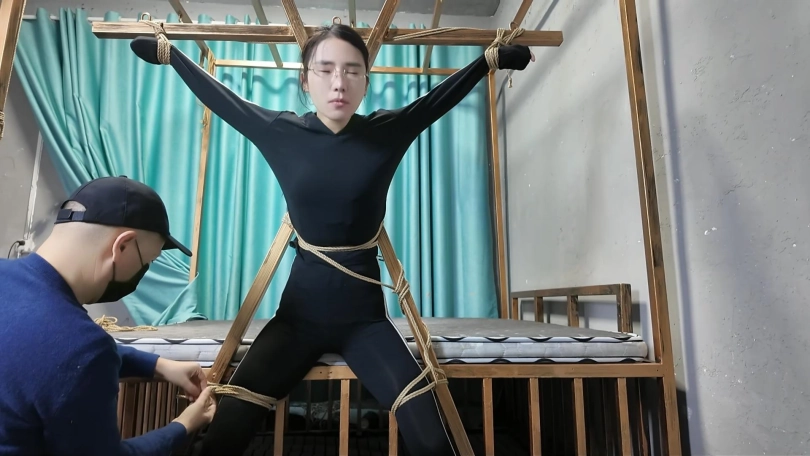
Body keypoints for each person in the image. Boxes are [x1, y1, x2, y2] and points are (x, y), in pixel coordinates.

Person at [130, 23, 534, 455]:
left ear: (366, 80)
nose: (339, 83)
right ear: (305, 80)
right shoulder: (281, 132)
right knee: (222, 437)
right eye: (324, 70)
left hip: (366, 324)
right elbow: (223, 99)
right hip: (296, 321)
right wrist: (171, 56)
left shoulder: (385, 132)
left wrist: (489, 60)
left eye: (352, 70)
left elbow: (438, 99)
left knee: (433, 441)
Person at [0, 176, 218, 455]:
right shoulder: (80, 346)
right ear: (122, 246)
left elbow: (45, 353)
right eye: (147, 262)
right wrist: (184, 425)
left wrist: (160, 366)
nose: (142, 272)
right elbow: (74, 356)